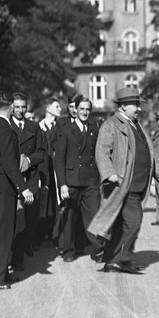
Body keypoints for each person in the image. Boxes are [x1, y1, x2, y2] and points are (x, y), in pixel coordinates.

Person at [87, 86, 155, 275]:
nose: (139, 108)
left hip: (137, 183)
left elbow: (148, 151)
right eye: (135, 105)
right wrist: (109, 172)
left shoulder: (136, 124)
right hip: (123, 184)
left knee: (119, 225)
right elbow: (102, 150)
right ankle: (123, 258)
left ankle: (112, 261)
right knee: (134, 221)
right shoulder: (111, 125)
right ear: (123, 107)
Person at [0, 92, 34, 290]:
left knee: (3, 231)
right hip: (1, 187)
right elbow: (10, 163)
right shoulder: (4, 129)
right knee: (0, 232)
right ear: (11, 108)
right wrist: (24, 188)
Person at [54, 96, 104, 263]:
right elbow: (59, 160)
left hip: (91, 181)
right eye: (81, 109)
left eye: (87, 109)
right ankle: (68, 251)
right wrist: (62, 185)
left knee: (93, 215)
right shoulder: (66, 130)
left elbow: (98, 155)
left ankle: (98, 250)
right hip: (71, 181)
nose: (84, 112)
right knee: (69, 218)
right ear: (75, 110)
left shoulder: (94, 129)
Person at [9, 93, 46, 270]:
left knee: (32, 220)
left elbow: (42, 152)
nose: (20, 110)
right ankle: (16, 259)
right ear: (11, 107)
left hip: (31, 178)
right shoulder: (6, 126)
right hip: (12, 180)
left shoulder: (34, 126)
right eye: (17, 107)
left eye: (23, 107)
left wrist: (29, 161)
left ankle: (24, 247)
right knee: (17, 221)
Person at [36, 97, 63, 245]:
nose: (60, 109)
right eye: (57, 107)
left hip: (56, 170)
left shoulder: (60, 128)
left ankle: (55, 235)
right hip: (44, 170)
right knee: (43, 201)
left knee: (56, 202)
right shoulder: (39, 127)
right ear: (48, 109)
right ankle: (39, 236)